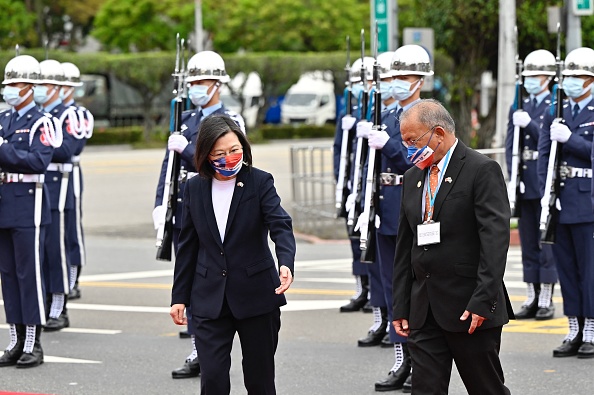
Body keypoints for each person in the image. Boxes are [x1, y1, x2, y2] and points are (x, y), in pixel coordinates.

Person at [393, 99, 513, 394]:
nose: (408, 148)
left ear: (438, 133)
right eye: (404, 140)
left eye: (412, 140)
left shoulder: (480, 169)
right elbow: (404, 245)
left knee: (485, 388)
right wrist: (400, 305)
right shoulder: (412, 178)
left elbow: (494, 240)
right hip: (424, 308)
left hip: (469, 307)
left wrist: (483, 300)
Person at [170, 114, 295, 394]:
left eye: (235, 150)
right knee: (212, 378)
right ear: (205, 154)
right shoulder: (193, 188)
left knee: (259, 379)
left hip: (256, 295)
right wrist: (179, 297)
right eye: (220, 153)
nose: (229, 157)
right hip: (209, 297)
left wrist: (286, 262)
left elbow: (280, 225)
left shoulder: (259, 181)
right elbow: (188, 245)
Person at [153, 50, 245, 379]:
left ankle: (205, 348)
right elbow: (169, 168)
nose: (196, 88)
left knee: (210, 278)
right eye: (192, 82)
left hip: (214, 204)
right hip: (185, 204)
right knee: (188, 275)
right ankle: (197, 347)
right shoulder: (187, 119)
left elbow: (228, 163)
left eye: (203, 82)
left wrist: (188, 150)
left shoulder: (229, 120)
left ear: (217, 84)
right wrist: (160, 202)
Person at [366, 45, 432, 392]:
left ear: (419, 80)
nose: (396, 84)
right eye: (393, 78)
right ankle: (400, 357)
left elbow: (419, 160)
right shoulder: (388, 114)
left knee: (414, 288)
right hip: (384, 206)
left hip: (412, 207)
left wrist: (387, 146)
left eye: (403, 77)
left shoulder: (427, 114)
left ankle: (419, 360)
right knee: (392, 288)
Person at [0, 55, 55, 368]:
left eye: (16, 84)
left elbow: (39, 162)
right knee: (8, 275)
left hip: (29, 203)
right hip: (5, 201)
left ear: (30, 88)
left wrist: (3, 150)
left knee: (28, 275)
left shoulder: (41, 122)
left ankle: (34, 342)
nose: (10, 89)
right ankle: (15, 339)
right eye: (8, 84)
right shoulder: (5, 119)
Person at [539, 47, 594, 359]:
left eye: (578, 76)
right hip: (560, 199)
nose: (572, 81)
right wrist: (546, 193)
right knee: (568, 269)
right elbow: (545, 155)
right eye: (568, 76)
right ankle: (573, 327)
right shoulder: (557, 110)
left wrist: (569, 138)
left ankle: (591, 330)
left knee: (590, 272)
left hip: (587, 200)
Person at [506, 49, 558, 320]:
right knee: (527, 241)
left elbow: (549, 141)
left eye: (535, 75)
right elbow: (509, 144)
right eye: (527, 75)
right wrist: (513, 177)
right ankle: (531, 294)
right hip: (525, 180)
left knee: (545, 242)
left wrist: (532, 126)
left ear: (548, 77)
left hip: (543, 177)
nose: (530, 80)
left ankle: (547, 296)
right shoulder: (518, 105)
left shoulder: (554, 104)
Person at [36, 59, 82, 332]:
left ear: (55, 87)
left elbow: (68, 149)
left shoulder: (69, 114)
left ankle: (59, 307)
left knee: (56, 250)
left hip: (59, 185)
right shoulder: (37, 116)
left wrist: (36, 150)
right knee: (39, 253)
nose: (38, 90)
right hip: (38, 185)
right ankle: (43, 304)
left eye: (43, 85)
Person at [333, 57, 372, 314]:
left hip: (368, 184)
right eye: (356, 81)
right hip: (352, 186)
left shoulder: (375, 110)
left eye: (363, 80)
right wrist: (341, 181)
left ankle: (373, 290)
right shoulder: (348, 112)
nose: (359, 86)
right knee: (354, 239)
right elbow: (339, 149)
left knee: (370, 242)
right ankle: (361, 288)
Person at [60, 61, 93, 301]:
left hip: (69, 173)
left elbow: (72, 147)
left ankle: (73, 279)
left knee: (71, 227)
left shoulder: (77, 114)